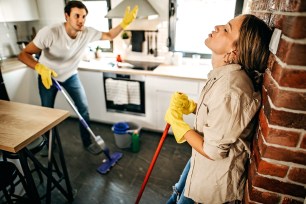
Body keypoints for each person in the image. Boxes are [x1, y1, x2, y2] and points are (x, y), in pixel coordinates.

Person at [165, 14, 272, 203]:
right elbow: (220, 118)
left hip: (211, 188)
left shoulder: (231, 89)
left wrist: (178, 125)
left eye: (227, 29)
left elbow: (213, 151)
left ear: (235, 51)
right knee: (175, 195)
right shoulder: (224, 76)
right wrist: (193, 108)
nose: (217, 26)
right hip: (200, 166)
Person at [18, 1, 138, 155]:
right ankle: (49, 146)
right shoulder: (50, 32)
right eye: (77, 16)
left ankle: (88, 143)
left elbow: (109, 35)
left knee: (83, 109)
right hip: (47, 77)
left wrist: (123, 24)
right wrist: (39, 67)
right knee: (47, 114)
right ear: (66, 16)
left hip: (70, 75)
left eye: (84, 17)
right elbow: (23, 54)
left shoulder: (87, 33)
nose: (81, 20)